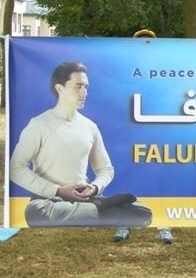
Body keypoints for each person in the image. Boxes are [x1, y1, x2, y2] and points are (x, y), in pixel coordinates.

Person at [10, 61, 152, 229]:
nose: (84, 92)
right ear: (60, 88)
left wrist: (94, 188)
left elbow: (106, 169)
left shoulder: (90, 126)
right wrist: (57, 190)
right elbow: (15, 169)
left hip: (84, 199)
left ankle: (93, 211)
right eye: (78, 86)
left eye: (86, 87)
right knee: (35, 212)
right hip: (49, 201)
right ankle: (101, 209)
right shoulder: (39, 124)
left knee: (143, 211)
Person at [112, 29, 174, 244]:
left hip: (157, 135)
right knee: (127, 181)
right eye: (140, 42)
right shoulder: (125, 71)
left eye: (149, 42)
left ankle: (164, 227)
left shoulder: (165, 73)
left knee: (160, 182)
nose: (145, 46)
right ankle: (124, 226)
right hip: (130, 137)